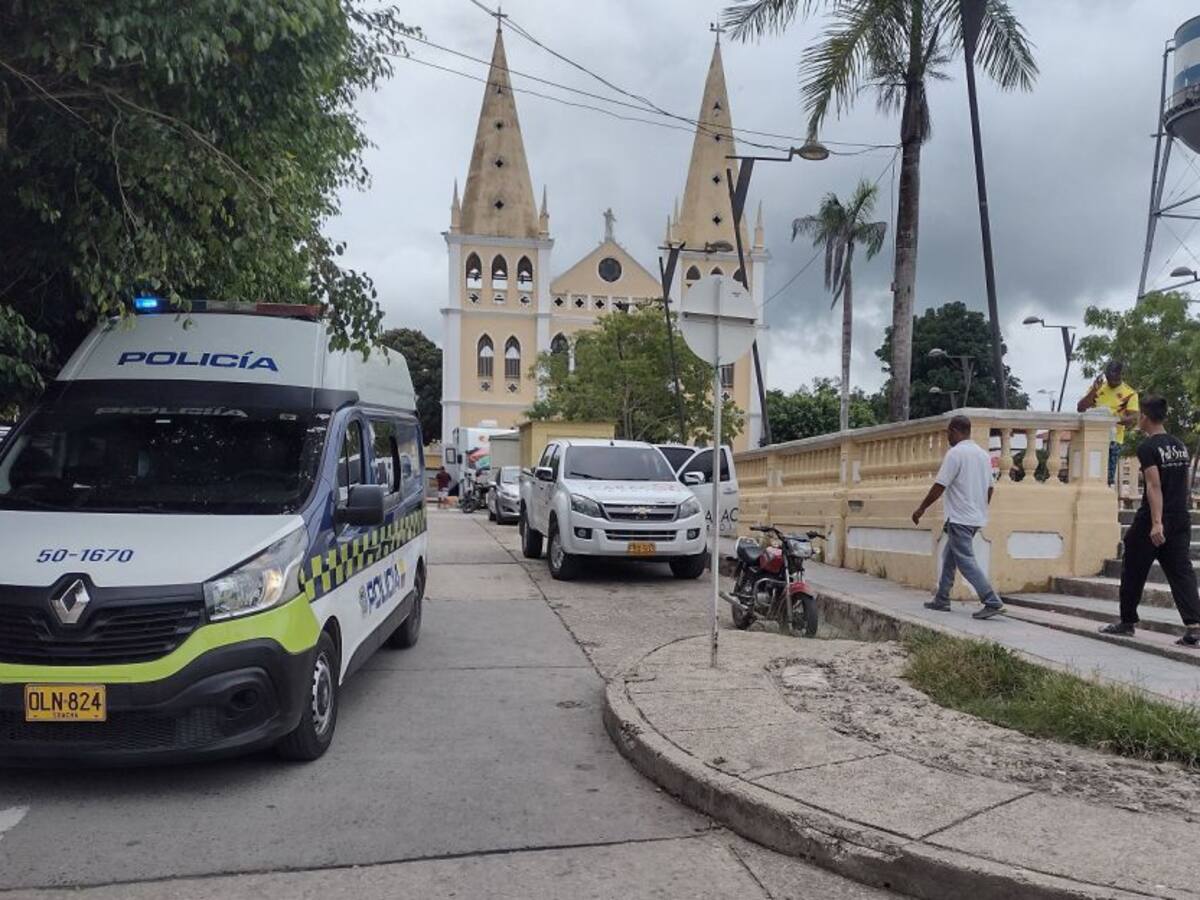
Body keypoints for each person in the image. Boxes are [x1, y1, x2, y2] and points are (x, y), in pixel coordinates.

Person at [1100, 395, 1200, 646]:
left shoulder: (1148, 448)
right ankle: (1195, 627)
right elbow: (1181, 483)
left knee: (1133, 566)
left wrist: (1157, 523)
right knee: (1181, 572)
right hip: (1180, 516)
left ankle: (1127, 622)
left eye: (1139, 415)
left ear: (1145, 416)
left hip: (1154, 518)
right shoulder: (1179, 445)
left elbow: (1154, 486)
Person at [912, 415, 1006, 619]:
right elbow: (990, 488)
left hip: (960, 518)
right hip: (974, 517)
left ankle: (991, 600)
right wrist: (980, 509)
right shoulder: (982, 455)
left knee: (965, 560)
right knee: (950, 557)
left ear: (955, 430)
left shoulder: (955, 454)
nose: (948, 437)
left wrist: (921, 508)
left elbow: (940, 485)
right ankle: (942, 598)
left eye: (948, 433)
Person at [1077, 360, 1139, 487]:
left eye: (1116, 378)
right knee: (1088, 475)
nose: (1112, 381)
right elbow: (1081, 408)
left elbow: (1133, 418)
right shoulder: (1098, 389)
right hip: (1091, 437)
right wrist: (1093, 391)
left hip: (1113, 440)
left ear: (1121, 375)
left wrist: (1111, 419)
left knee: (1105, 478)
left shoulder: (1130, 393)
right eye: (1109, 378)